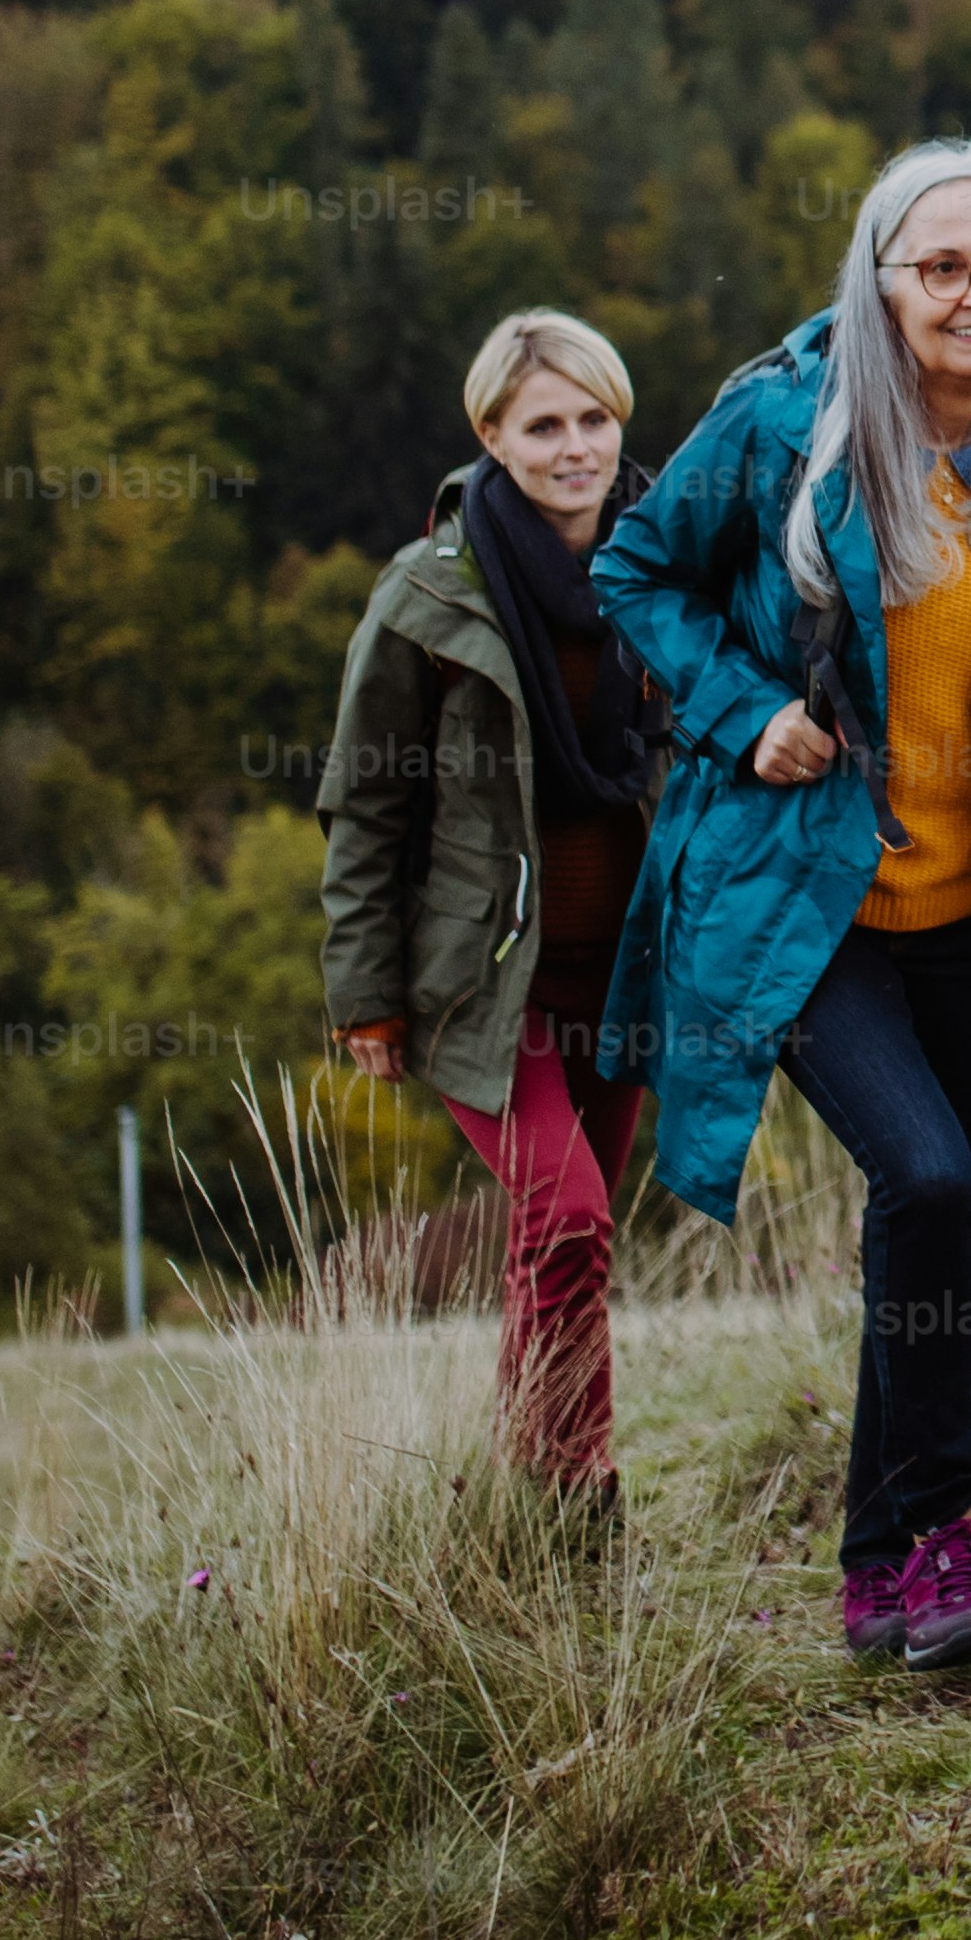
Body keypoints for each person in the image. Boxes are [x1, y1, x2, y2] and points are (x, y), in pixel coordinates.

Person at [595, 140, 971, 1668]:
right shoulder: (788, 422)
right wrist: (739, 713)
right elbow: (635, 570)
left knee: (929, 1227)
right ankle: (945, 1533)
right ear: (883, 281)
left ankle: (878, 1564)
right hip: (812, 905)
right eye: (945, 267)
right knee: (926, 1182)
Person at [318, 308, 671, 1522]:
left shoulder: (661, 562)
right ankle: (581, 1477)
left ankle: (536, 1497)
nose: (576, 446)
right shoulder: (429, 594)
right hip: (485, 977)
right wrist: (363, 992)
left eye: (594, 417)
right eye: (544, 424)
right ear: (492, 435)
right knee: (563, 1212)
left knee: (566, 1243)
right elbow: (366, 805)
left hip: (624, 971)